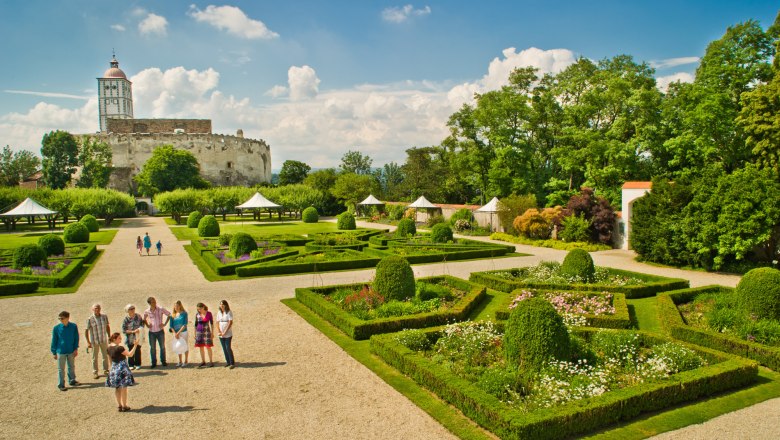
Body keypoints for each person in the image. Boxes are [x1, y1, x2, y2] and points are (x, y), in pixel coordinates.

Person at [106, 332, 139, 412]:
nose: (120, 340)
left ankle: (119, 405)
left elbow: (109, 360)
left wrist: (111, 369)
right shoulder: (119, 348)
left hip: (114, 368)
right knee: (124, 388)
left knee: (117, 388)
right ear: (114, 339)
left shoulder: (108, 348)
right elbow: (130, 354)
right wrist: (135, 345)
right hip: (122, 368)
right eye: (119, 338)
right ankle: (124, 405)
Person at [51, 311, 79, 391]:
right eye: (59, 318)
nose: (60, 320)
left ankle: (72, 380)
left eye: (62, 318)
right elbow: (54, 340)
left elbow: (76, 338)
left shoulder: (73, 326)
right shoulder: (56, 328)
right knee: (61, 369)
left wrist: (75, 348)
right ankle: (61, 385)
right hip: (60, 351)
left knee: (71, 367)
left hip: (71, 350)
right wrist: (54, 352)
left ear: (67, 318)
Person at [143, 297, 171, 368]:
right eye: (152, 302)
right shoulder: (147, 311)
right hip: (152, 332)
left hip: (160, 331)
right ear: (149, 303)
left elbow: (169, 314)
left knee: (162, 347)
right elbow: (144, 319)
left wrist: (164, 324)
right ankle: (153, 362)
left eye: (155, 301)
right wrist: (147, 325)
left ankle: (163, 361)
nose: (154, 303)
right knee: (152, 348)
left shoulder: (160, 309)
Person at [85, 303, 111, 379]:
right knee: (94, 357)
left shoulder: (104, 317)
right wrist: (88, 342)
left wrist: (109, 336)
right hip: (94, 341)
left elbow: (107, 326)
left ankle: (106, 370)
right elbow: (86, 331)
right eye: (95, 308)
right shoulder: (89, 319)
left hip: (103, 339)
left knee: (105, 355)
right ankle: (95, 372)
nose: (97, 310)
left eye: (98, 308)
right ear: (92, 309)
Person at [121, 304, 144, 370]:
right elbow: (124, 330)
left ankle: (138, 364)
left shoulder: (138, 316)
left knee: (137, 350)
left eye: (133, 308)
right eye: (131, 309)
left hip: (138, 337)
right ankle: (131, 364)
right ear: (128, 311)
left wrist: (139, 329)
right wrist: (132, 332)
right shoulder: (126, 319)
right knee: (131, 350)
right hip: (130, 338)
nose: (132, 310)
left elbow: (142, 325)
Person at [194, 302, 214, 368]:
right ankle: (203, 361)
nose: (199, 310)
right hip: (199, 332)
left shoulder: (209, 313)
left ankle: (211, 361)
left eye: (200, 309)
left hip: (207, 332)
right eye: (198, 309)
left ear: (203, 307)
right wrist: (194, 333)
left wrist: (212, 333)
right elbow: (195, 324)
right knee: (201, 347)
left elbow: (211, 323)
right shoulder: (197, 314)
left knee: (208, 347)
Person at [216, 300, 235, 369]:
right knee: (224, 348)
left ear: (226, 305)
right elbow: (217, 322)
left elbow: (230, 322)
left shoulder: (229, 312)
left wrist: (225, 331)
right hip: (221, 333)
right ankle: (228, 362)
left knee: (228, 347)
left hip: (228, 333)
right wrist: (219, 331)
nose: (221, 306)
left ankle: (232, 362)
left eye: (223, 304)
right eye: (220, 304)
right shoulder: (219, 312)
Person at [170, 300, 189, 367]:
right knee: (178, 346)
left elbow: (185, 324)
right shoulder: (172, 315)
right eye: (175, 306)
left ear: (180, 306)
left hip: (183, 332)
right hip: (175, 333)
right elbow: (171, 326)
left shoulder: (184, 313)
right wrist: (175, 333)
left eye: (177, 306)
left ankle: (186, 360)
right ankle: (180, 361)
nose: (176, 307)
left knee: (185, 345)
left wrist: (178, 332)